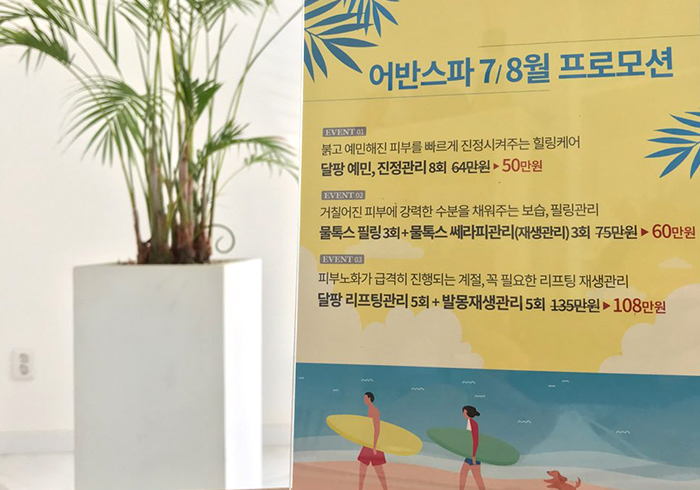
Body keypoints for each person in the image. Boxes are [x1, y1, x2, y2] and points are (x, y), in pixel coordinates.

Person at [357, 392, 388, 490]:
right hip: (369, 443)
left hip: (373, 444)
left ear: (369, 398)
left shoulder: (374, 411)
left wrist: (374, 446)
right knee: (364, 467)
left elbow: (377, 428)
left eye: (365, 398)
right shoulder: (370, 410)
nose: (364, 400)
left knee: (378, 469)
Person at [459, 405, 486, 490]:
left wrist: (474, 456)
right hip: (470, 454)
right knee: (463, 473)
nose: (463, 413)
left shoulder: (473, 423)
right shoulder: (469, 422)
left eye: (464, 412)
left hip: (474, 455)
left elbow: (475, 440)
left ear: (467, 413)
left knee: (477, 477)